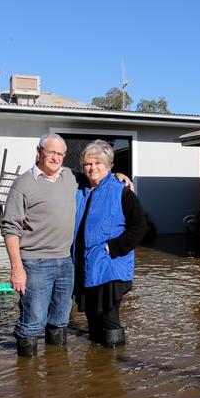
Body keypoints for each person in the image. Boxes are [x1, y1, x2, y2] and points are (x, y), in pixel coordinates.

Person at [1, 134, 132, 357]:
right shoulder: (22, 184)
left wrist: (118, 174)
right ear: (39, 151)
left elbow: (98, 173)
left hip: (67, 261)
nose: (56, 157)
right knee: (32, 321)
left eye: (60, 153)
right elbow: (10, 229)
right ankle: (28, 380)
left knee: (60, 321)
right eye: (51, 152)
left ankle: (56, 374)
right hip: (36, 262)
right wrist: (17, 268)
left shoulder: (71, 177)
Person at [73, 140, 146, 348]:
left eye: (98, 163)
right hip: (86, 266)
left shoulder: (121, 191)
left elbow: (139, 226)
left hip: (109, 266)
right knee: (91, 316)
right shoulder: (81, 188)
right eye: (88, 163)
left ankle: (115, 361)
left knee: (108, 316)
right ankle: (96, 367)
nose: (93, 167)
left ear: (109, 166)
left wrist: (113, 247)